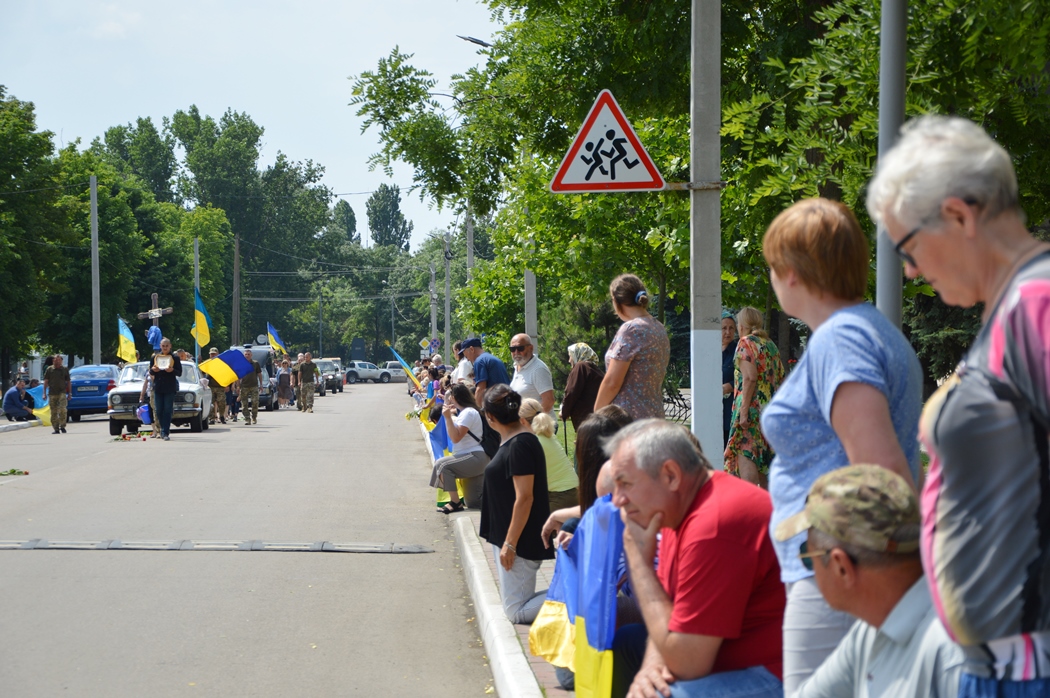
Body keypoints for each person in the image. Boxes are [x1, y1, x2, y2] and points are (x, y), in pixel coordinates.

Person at [868, 115, 1050, 697]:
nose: (911, 270)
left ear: (959, 215)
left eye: (907, 246)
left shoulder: (1035, 303)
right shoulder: (1012, 306)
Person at [760, 197, 923, 694]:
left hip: (840, 573)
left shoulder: (841, 339)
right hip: (843, 570)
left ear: (790, 272)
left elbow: (879, 472)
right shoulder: (865, 329)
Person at [606, 420, 785, 698]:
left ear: (671, 476)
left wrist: (639, 563)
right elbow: (667, 611)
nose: (617, 500)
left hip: (780, 675)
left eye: (625, 484)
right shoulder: (677, 512)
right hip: (731, 662)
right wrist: (651, 669)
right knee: (628, 648)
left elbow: (688, 663)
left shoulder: (714, 525)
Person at [775, 464, 964, 698]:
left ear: (841, 567)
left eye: (807, 555)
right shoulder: (871, 629)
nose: (809, 567)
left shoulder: (952, 656)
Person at [478, 384, 554, 624]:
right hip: (509, 538)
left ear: (490, 417)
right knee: (514, 605)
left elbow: (525, 497)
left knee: (517, 611)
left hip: (519, 543)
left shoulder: (520, 444)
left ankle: (583, 593)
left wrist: (510, 544)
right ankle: (576, 591)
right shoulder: (514, 439)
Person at [594, 274, 670, 420]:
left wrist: (596, 416)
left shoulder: (631, 329)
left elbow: (612, 382)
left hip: (627, 421)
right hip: (654, 417)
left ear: (616, 301)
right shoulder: (659, 328)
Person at [724, 306, 785, 487]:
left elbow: (750, 377)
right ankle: (769, 511)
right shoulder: (770, 345)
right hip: (769, 413)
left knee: (747, 459)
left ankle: (749, 510)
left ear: (741, 325)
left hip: (750, 412)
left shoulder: (745, 343)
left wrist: (743, 412)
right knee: (764, 467)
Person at [431, 383, 491, 513]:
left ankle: (455, 503)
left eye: (449, 396)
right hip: (470, 457)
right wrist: (451, 415)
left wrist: (447, 417)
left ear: (455, 397)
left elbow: (455, 438)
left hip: (475, 457)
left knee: (442, 465)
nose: (448, 398)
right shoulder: (465, 413)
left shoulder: (468, 412)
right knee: (473, 502)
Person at [519, 398, 578, 511]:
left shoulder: (533, 442)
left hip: (559, 497)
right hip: (571, 493)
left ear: (522, 421)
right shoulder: (547, 435)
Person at [509, 333, 556, 419]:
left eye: (520, 348)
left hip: (540, 427)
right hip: (524, 425)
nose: (516, 352)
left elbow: (549, 401)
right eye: (512, 349)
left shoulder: (538, 369)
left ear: (531, 348)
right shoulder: (518, 366)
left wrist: (533, 422)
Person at [560, 342, 605, 431]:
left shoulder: (581, 366)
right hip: (597, 420)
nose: (569, 360)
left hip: (586, 421)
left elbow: (571, 391)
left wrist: (564, 411)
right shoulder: (596, 370)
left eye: (570, 356)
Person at [461, 337, 510, 407]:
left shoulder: (479, 361)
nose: (468, 360)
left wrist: (476, 409)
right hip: (506, 400)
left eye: (466, 356)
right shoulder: (490, 358)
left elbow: (481, 389)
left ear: (471, 349)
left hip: (497, 404)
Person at [149, 338, 182, 441]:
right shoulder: (155, 357)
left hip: (169, 388)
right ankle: (163, 428)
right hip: (158, 387)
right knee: (158, 410)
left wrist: (172, 370)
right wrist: (153, 370)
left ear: (170, 346)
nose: (165, 348)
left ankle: (165, 432)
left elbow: (179, 372)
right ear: (160, 346)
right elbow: (151, 371)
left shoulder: (175, 358)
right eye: (163, 346)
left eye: (167, 346)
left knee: (167, 410)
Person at [721, 310, 738, 446]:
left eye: (731, 328)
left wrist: (730, 386)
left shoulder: (738, 350)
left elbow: (745, 375)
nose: (728, 332)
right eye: (724, 328)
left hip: (730, 408)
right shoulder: (710, 351)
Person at [42, 354, 71, 434]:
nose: (57, 362)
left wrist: (70, 393)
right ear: (53, 361)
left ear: (61, 361)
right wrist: (44, 393)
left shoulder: (64, 369)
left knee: (62, 409)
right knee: (53, 411)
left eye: (58, 360)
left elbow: (68, 381)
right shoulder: (49, 369)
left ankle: (62, 426)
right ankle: (56, 428)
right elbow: (46, 381)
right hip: (52, 393)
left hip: (62, 392)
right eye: (55, 360)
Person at [238, 349, 262, 425]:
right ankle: (247, 419)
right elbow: (238, 376)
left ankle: (254, 417)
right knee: (244, 405)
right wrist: (238, 386)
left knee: (255, 402)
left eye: (248, 354)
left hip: (254, 386)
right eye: (246, 354)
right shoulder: (241, 364)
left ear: (251, 355)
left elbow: (259, 374)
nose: (247, 356)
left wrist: (261, 384)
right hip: (244, 386)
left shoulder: (255, 363)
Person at [204, 347, 227, 425]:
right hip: (210, 387)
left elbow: (226, 375)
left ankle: (222, 416)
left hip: (220, 386)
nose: (213, 355)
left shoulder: (222, 363)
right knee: (211, 403)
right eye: (211, 354)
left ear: (218, 354)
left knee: (222, 402)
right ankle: (212, 418)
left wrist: (227, 385)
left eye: (214, 354)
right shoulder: (207, 363)